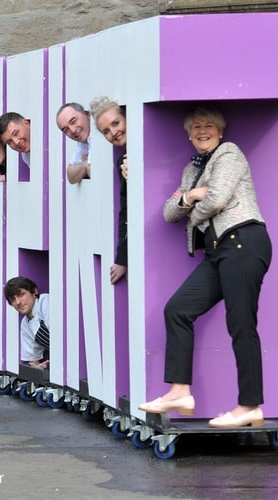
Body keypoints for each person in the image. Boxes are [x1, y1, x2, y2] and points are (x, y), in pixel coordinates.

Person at [138, 105, 272, 428]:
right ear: (188, 134)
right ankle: (180, 391)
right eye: (196, 126)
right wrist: (191, 195)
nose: (202, 130)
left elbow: (217, 200)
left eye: (209, 125)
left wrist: (193, 205)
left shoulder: (229, 153)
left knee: (241, 323)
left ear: (220, 131)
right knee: (178, 310)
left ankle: (250, 405)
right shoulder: (190, 171)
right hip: (218, 251)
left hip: (243, 242)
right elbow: (170, 212)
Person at [90, 96, 128, 284]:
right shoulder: (122, 162)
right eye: (106, 131)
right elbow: (126, 211)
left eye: (116, 123)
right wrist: (122, 258)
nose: (114, 132)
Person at [4, 277, 50, 368]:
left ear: (34, 292)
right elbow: (32, 360)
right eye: (13, 299)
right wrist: (39, 367)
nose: (18, 302)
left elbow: (61, 337)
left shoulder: (46, 302)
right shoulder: (25, 324)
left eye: (21, 295)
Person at [56, 102, 91, 184]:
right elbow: (70, 175)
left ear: (87, 115)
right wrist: (85, 164)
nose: (72, 130)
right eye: (66, 130)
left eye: (73, 121)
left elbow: (95, 172)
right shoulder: (83, 143)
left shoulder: (95, 135)